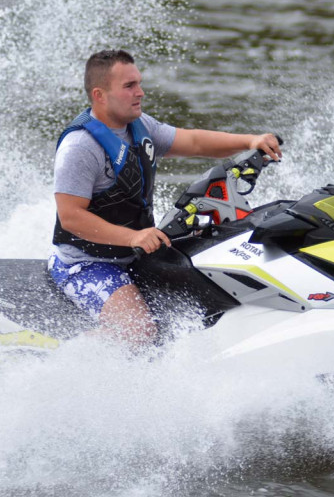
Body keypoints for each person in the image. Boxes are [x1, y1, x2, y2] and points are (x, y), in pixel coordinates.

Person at [49, 50, 281, 350]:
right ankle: (51, 354)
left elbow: (194, 141)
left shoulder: (139, 126)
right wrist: (134, 236)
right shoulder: (80, 146)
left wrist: (249, 141)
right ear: (100, 95)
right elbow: (71, 218)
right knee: (139, 334)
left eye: (139, 83)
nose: (140, 92)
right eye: (129, 85)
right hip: (86, 264)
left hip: (134, 254)